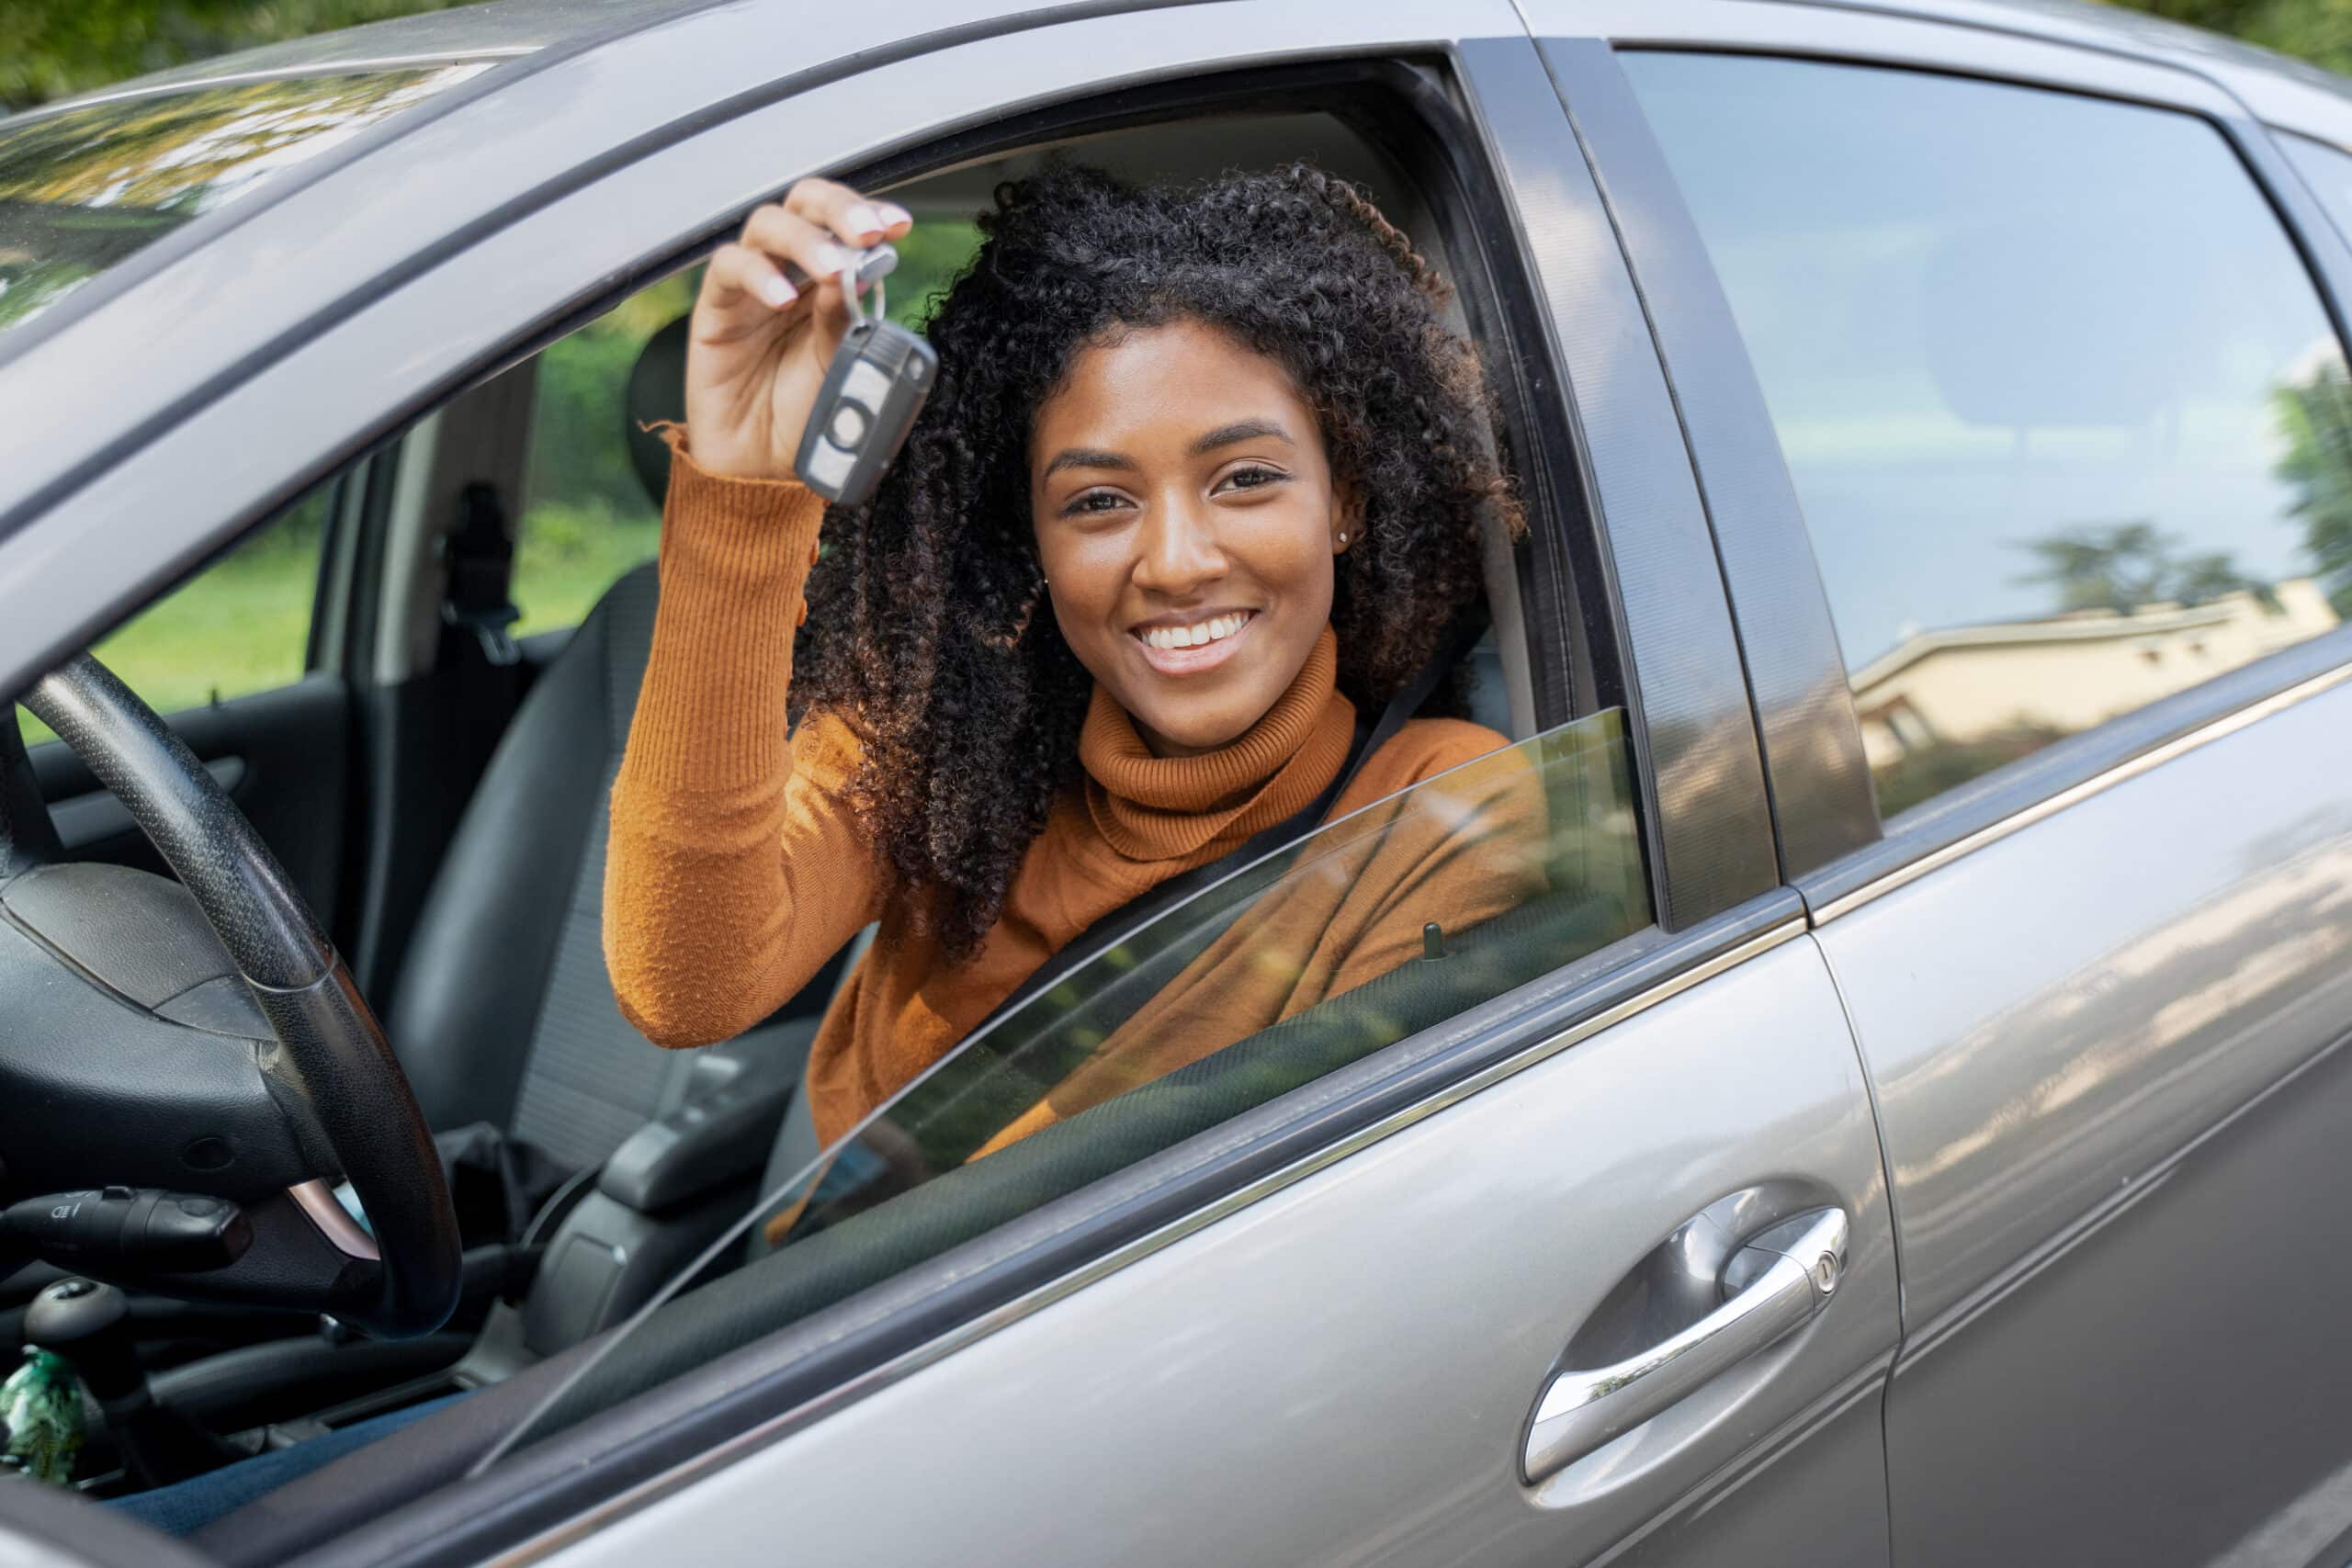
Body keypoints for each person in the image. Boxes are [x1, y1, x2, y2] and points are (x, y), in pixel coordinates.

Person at [604, 161, 1548, 1180]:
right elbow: (685, 986)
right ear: (1035, 540)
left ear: (1345, 502)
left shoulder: (1441, 813)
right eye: (1098, 501)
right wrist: (750, 497)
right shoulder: (938, 743)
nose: (1178, 562)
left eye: (1246, 480)